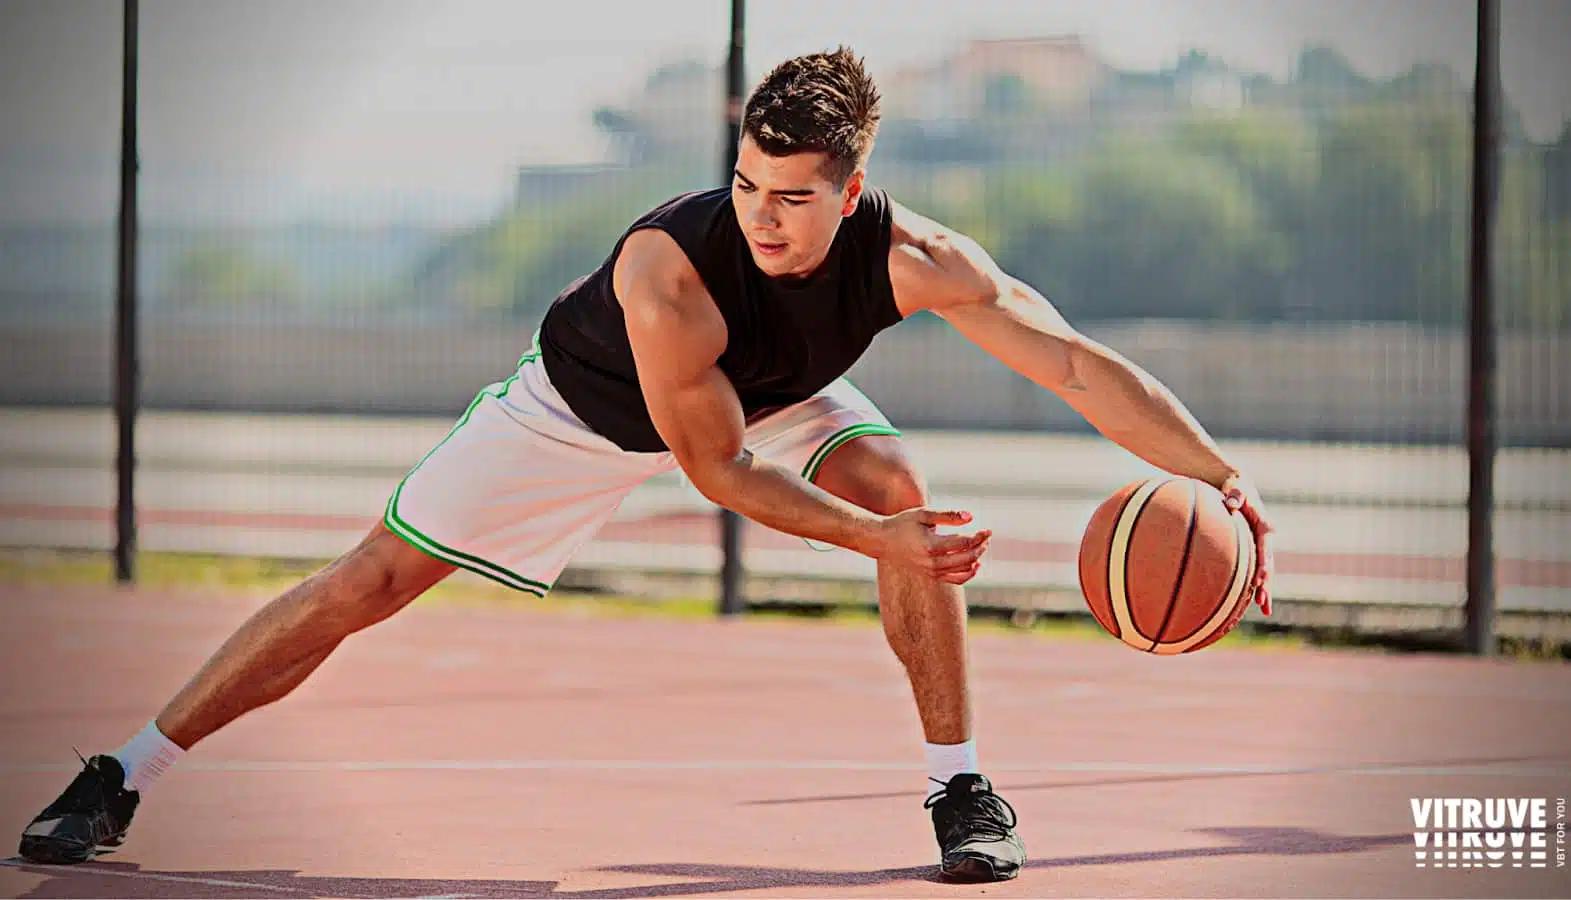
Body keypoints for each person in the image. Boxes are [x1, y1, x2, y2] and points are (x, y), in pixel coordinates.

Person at [18, 47, 1273, 884]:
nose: (762, 214)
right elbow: (716, 470)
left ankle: (960, 791)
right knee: (366, 585)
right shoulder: (667, 267)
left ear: (853, 194)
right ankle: (120, 774)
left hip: (771, 396)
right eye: (746, 184)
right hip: (581, 409)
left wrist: (1219, 477)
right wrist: (879, 549)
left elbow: (1075, 366)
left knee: (897, 487)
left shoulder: (921, 259)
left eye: (791, 195)